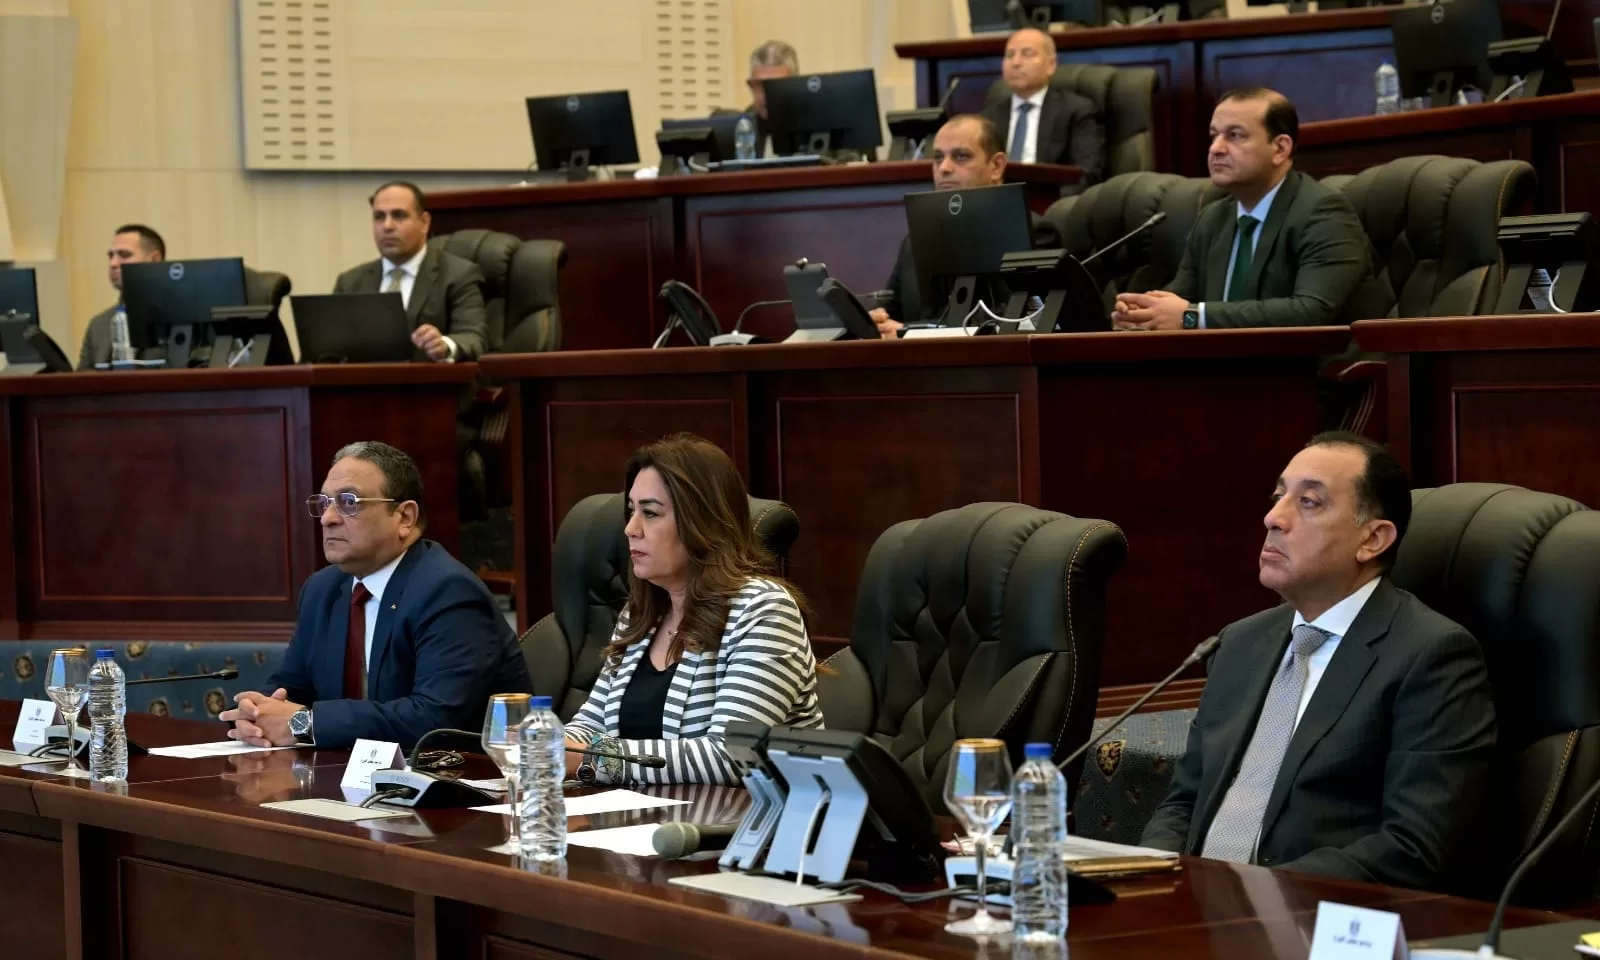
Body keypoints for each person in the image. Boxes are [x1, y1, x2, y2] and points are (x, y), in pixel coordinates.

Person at [1141, 432, 1496, 892]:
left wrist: (1257, 894)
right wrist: (1154, 879)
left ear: (1372, 539)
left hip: (1312, 913)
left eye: (1308, 502)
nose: (1273, 517)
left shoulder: (1431, 656)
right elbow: (1183, 802)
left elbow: (1414, 845)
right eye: (1278, 497)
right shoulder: (1240, 643)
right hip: (1194, 910)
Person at [221, 441, 531, 749]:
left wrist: (306, 724)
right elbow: (290, 688)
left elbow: (435, 718)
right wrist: (255, 714)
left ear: (405, 517)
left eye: (348, 502)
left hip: (450, 772)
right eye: (324, 503)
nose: (328, 518)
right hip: (344, 771)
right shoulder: (322, 590)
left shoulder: (447, 592)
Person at [564, 433, 822, 786]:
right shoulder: (641, 615)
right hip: (649, 815)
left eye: (650, 513)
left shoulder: (764, 611)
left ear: (702, 522)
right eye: (631, 511)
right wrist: (544, 744)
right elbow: (590, 725)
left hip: (745, 818)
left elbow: (731, 756)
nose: (630, 528)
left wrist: (592, 758)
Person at [1112, 88, 1377, 331]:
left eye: (1235, 135)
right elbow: (1180, 300)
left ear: (1280, 148)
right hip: (1223, 364)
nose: (1216, 149)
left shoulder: (1324, 214)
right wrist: (1143, 315)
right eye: (1214, 136)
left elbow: (1311, 311)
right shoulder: (1213, 218)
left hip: (1310, 365)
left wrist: (1193, 317)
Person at [871, 114, 1062, 339]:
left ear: (996, 166)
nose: (944, 168)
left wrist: (908, 333)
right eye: (938, 158)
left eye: (961, 156)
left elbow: (1021, 323)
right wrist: (876, 320)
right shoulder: (915, 240)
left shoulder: (1034, 233)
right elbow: (891, 310)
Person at [331, 181, 489, 361]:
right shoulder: (350, 282)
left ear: (424, 222)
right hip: (364, 378)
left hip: (428, 377)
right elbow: (332, 349)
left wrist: (444, 345)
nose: (387, 226)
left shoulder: (458, 275)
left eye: (399, 215)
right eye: (379, 217)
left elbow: (474, 339)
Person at [978, 28, 1104, 181]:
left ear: (1051, 65)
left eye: (1027, 54)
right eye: (1009, 55)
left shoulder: (1076, 111)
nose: (1015, 63)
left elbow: (1086, 174)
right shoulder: (987, 119)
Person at [77, 224, 165, 370]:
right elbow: (80, 380)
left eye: (124, 255)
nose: (113, 263)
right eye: (111, 256)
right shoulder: (98, 325)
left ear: (154, 260)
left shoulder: (182, 320)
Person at [741, 40, 798, 156]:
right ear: (751, 86)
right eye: (760, 86)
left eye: (775, 86)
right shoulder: (743, 128)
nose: (766, 95)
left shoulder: (817, 127)